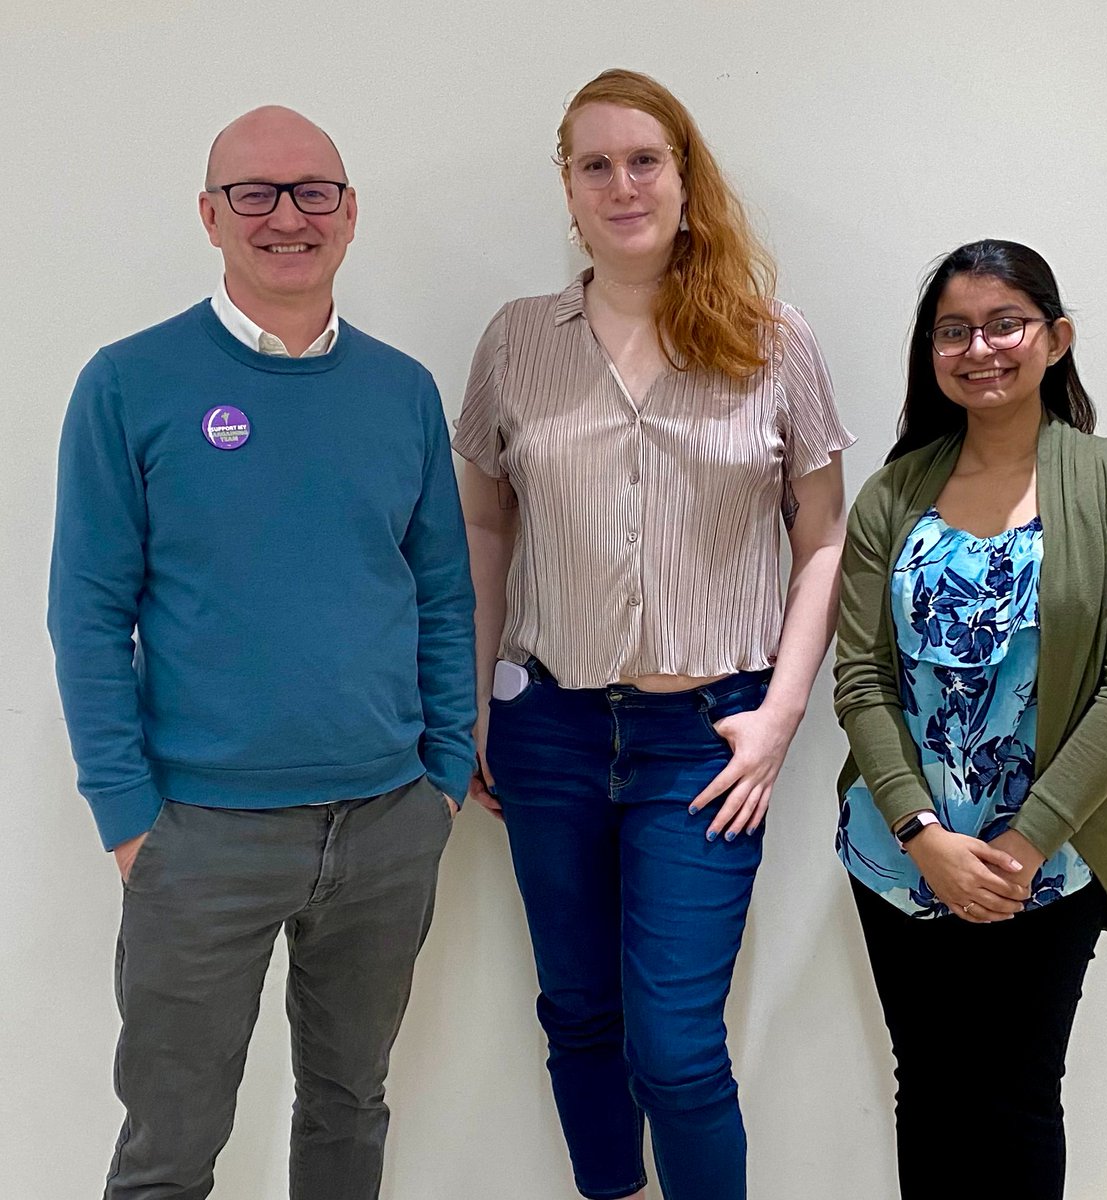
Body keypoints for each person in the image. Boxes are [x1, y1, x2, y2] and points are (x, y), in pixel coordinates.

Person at [48, 106, 474, 1199]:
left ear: (348, 211)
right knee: (169, 1149)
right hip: (199, 839)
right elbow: (89, 611)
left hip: (384, 825)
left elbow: (439, 594)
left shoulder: (402, 390)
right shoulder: (127, 384)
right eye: (255, 193)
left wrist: (439, 780)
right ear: (210, 215)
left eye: (312, 191)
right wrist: (126, 815)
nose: (287, 216)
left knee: (349, 1111)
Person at [454, 68, 854, 1200]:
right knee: (577, 1013)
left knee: (675, 1052)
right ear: (568, 189)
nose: (621, 184)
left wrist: (777, 717)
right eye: (595, 164)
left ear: (685, 176)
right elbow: (485, 517)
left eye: (645, 160)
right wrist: (478, 695)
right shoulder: (519, 340)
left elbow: (821, 537)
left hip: (705, 741)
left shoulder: (774, 340)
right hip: (550, 731)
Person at [834, 239, 1107, 1200]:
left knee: (1021, 1097)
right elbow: (859, 678)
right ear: (930, 351)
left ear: (1056, 339)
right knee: (931, 1091)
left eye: (1005, 323)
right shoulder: (893, 494)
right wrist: (924, 835)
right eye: (955, 330)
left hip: (1050, 857)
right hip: (902, 852)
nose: (980, 347)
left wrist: (1025, 844)